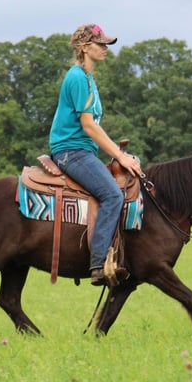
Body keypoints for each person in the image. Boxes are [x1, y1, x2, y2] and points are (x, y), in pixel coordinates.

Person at [49, 23, 144, 286]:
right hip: (71, 151)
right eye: (100, 44)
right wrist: (120, 156)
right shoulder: (78, 78)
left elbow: (95, 127)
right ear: (84, 47)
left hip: (82, 150)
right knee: (112, 194)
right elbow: (89, 126)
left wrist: (120, 153)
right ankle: (99, 263)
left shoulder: (88, 78)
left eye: (105, 44)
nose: (105, 49)